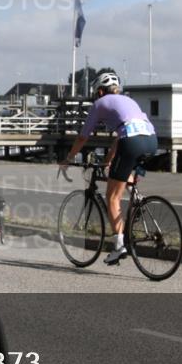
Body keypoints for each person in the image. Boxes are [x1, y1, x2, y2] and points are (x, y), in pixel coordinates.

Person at [60, 72, 157, 264]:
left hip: (131, 142)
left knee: (112, 197)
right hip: (152, 141)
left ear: (100, 91)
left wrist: (69, 158)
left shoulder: (99, 104)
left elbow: (82, 137)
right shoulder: (128, 101)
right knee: (124, 176)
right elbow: (119, 137)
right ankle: (138, 201)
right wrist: (109, 160)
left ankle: (119, 246)